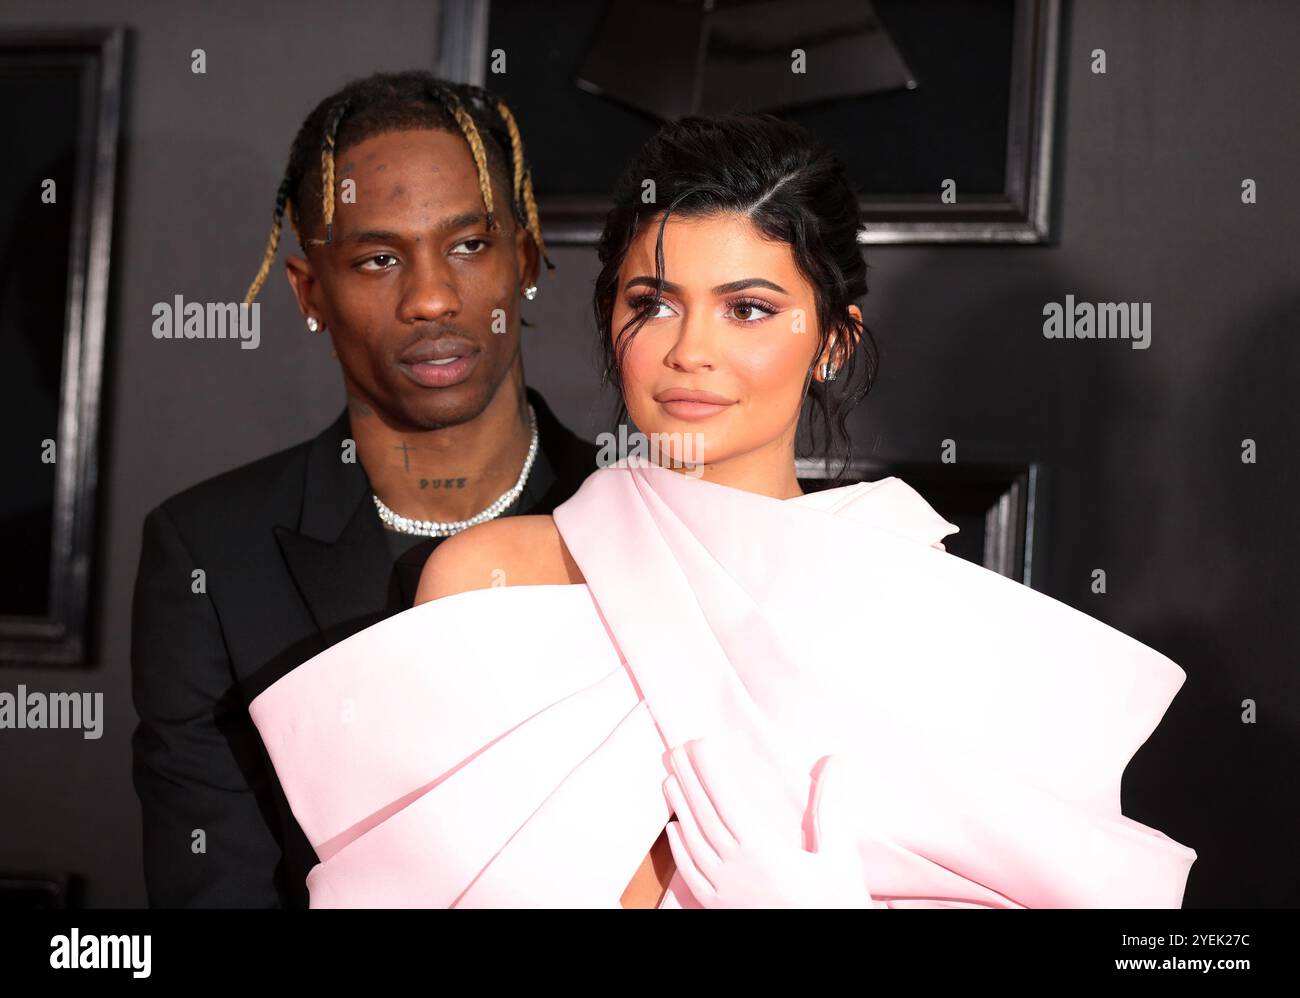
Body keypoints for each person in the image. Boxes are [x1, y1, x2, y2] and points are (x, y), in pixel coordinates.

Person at [246, 112, 1198, 908]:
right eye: (654, 302)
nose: (689, 350)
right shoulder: (488, 576)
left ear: (831, 341)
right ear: (608, 317)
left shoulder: (919, 610)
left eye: (748, 308)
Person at [130, 72, 599, 908]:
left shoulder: (641, 516)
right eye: (379, 259)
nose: (430, 297)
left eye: (469, 245)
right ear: (311, 293)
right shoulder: (208, 556)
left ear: (523, 259)